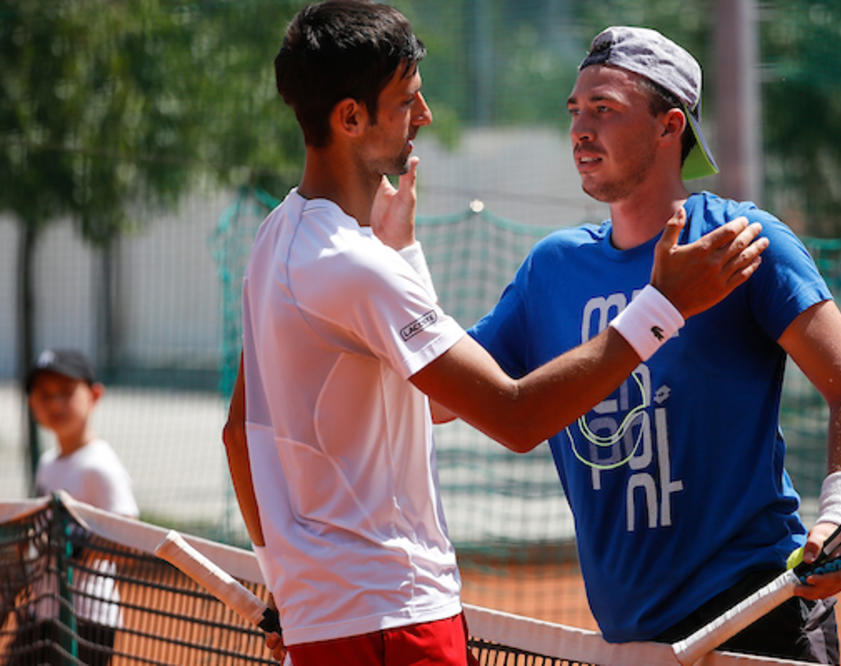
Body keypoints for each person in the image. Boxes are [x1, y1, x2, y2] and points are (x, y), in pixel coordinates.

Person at [222, 3, 768, 664]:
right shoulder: (358, 268)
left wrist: (281, 582)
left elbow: (237, 432)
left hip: (323, 624)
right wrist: (663, 306)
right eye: (406, 102)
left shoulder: (276, 237)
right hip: (396, 622)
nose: (422, 117)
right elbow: (514, 416)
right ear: (350, 118)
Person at [465, 26, 841, 664]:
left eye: (604, 109)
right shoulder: (550, 270)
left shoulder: (740, 240)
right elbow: (447, 399)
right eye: (576, 111)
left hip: (757, 606)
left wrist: (839, 514)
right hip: (631, 637)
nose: (580, 129)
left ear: (670, 125)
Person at [10, 348, 139, 666]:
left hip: (87, 618)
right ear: (30, 402)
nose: (54, 403)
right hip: (41, 609)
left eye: (66, 392)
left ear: (95, 395)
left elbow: (130, 536)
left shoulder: (100, 466)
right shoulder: (47, 463)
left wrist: (78, 547)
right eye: (44, 394)